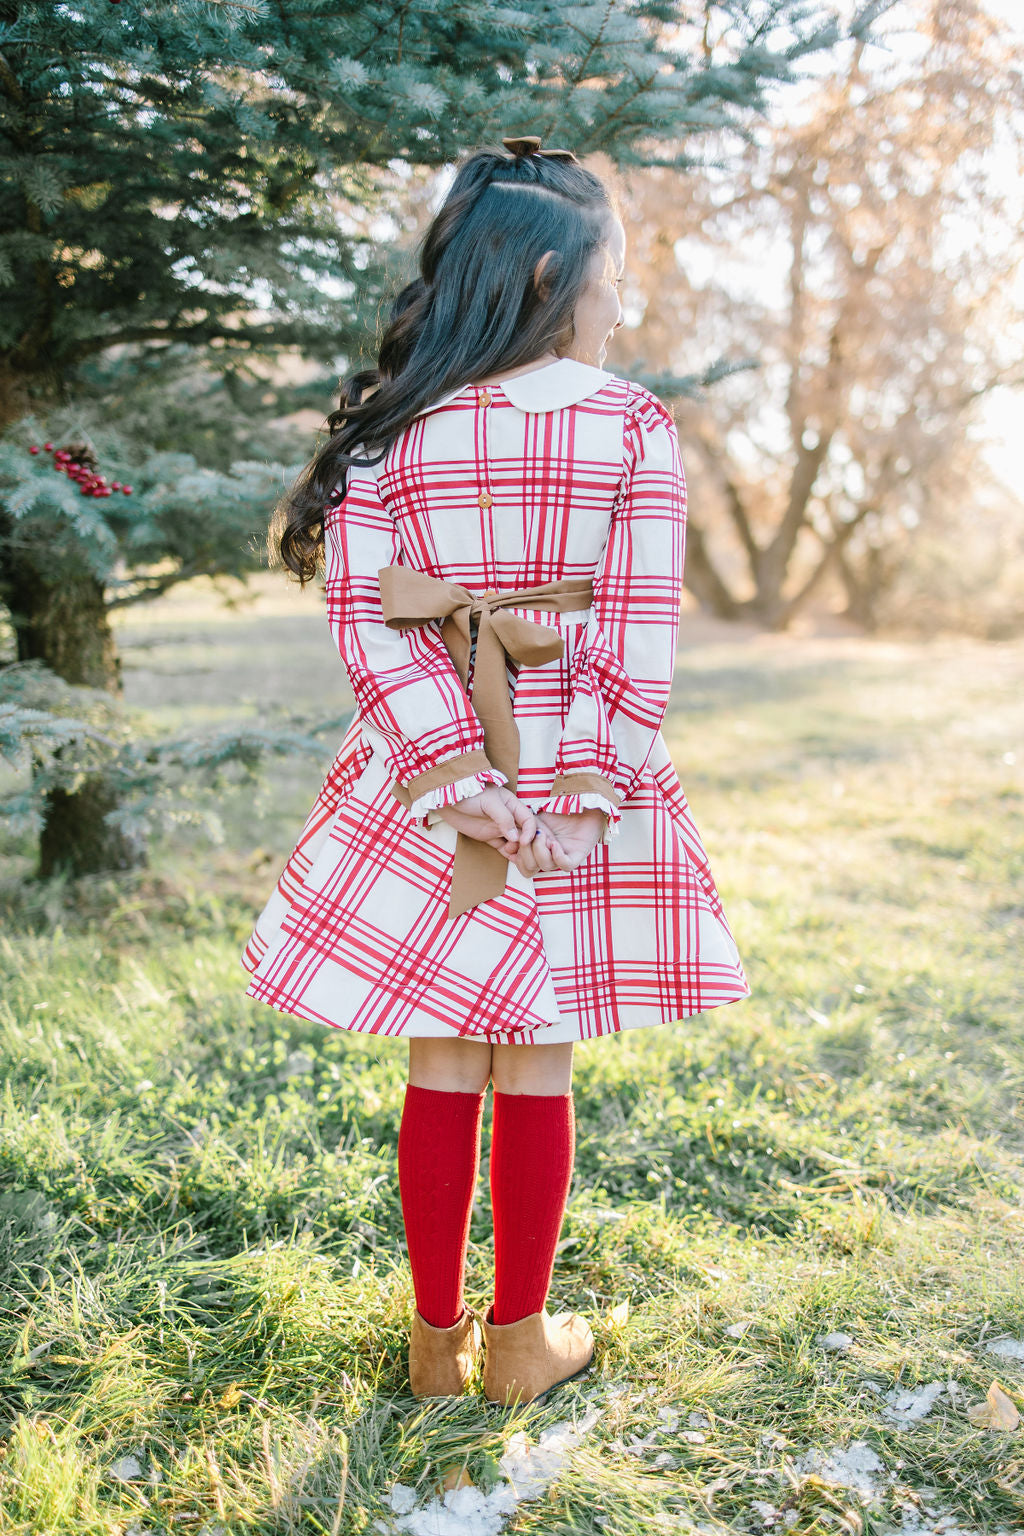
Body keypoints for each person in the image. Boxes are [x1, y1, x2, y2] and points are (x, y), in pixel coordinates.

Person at [241, 133, 750, 1408]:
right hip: (580, 762)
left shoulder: (387, 430)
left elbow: (367, 618)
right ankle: (518, 1344)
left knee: (443, 1054)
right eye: (613, 272)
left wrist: (453, 772)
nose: (623, 299)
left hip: (426, 773)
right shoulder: (627, 422)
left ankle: (436, 1349)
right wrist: (579, 794)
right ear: (546, 272)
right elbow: (637, 626)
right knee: (536, 1056)